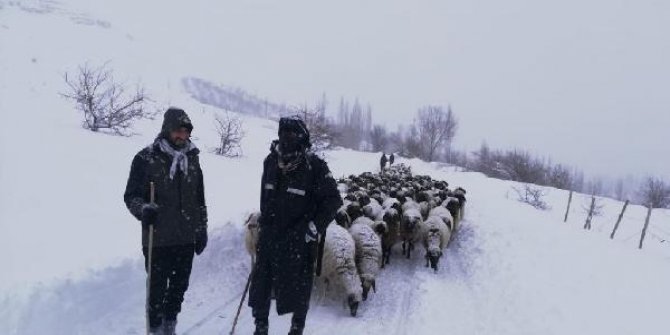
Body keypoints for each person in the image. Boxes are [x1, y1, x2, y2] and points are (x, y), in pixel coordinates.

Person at [248, 116, 343, 335]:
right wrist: (263, 220)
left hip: (298, 240)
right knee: (261, 286)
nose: (286, 138)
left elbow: (333, 200)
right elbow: (265, 195)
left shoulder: (315, 167)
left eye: (292, 134)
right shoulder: (270, 162)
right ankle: (260, 327)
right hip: (270, 236)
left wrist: (313, 227)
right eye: (283, 133)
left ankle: (296, 327)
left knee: (299, 289)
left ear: (302, 137)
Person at [124, 107, 208, 335]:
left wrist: (202, 229)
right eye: (177, 131)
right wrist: (143, 210)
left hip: (185, 237)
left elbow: (199, 199)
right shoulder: (146, 158)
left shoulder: (192, 159)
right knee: (157, 290)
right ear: (166, 130)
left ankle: (170, 326)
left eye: (186, 131)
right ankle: (154, 329)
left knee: (179, 288)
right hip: (158, 237)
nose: (182, 136)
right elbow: (131, 196)